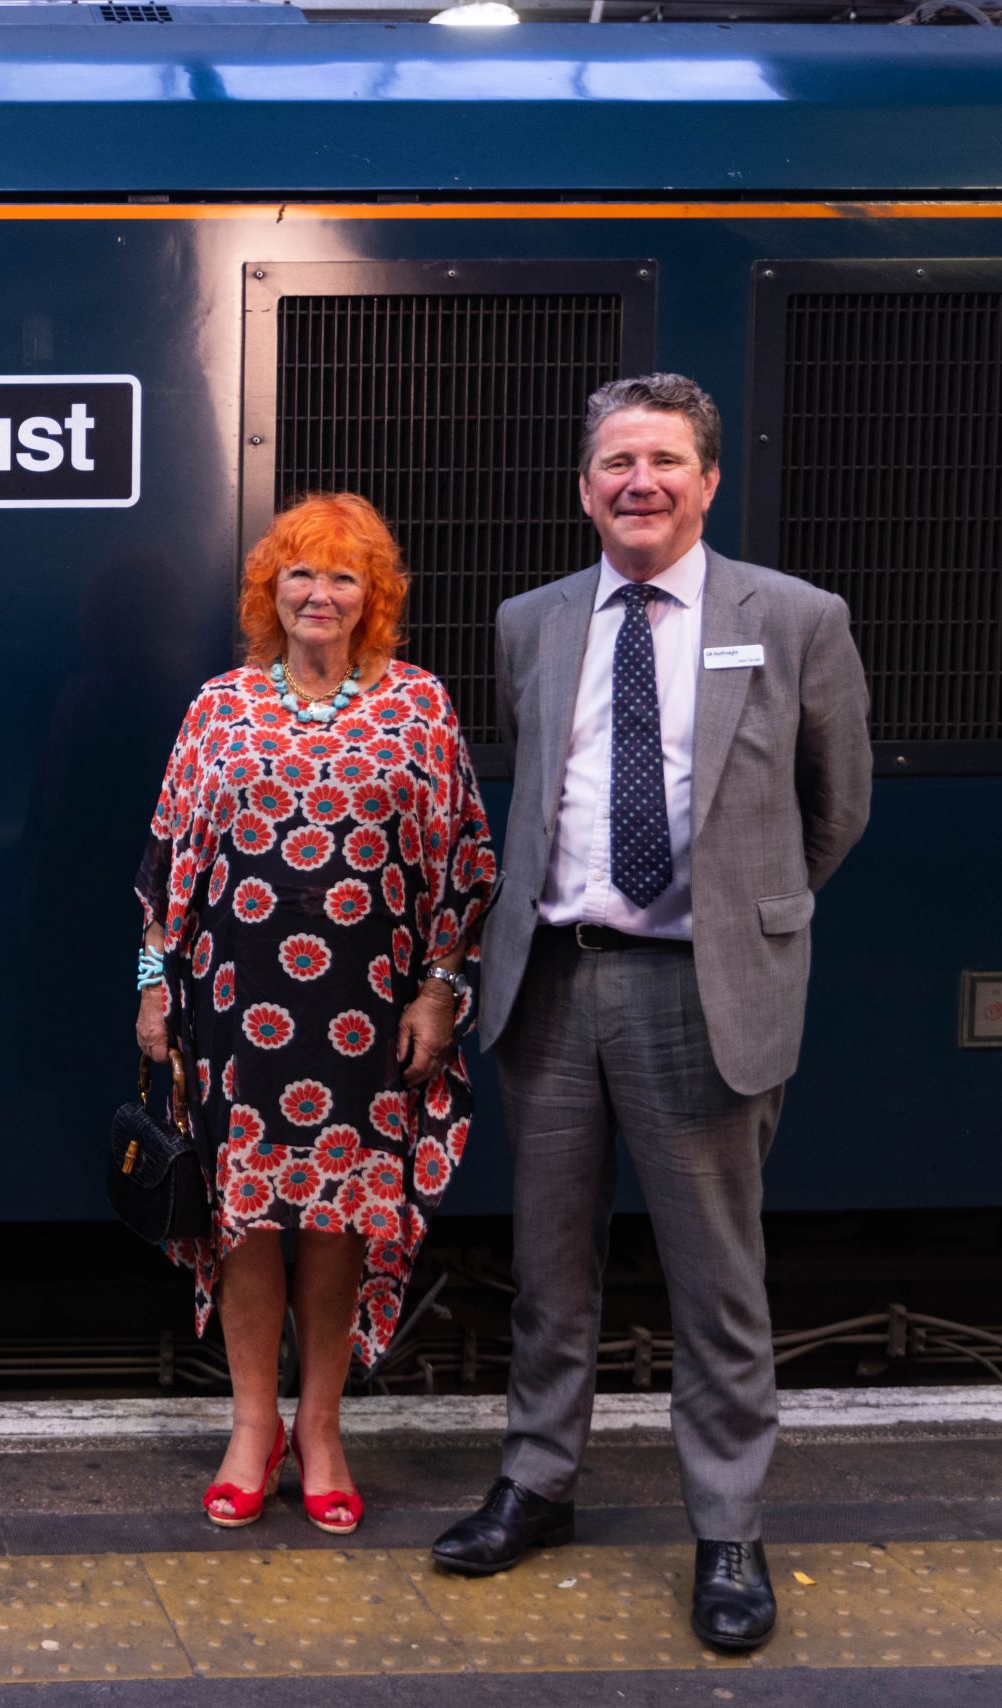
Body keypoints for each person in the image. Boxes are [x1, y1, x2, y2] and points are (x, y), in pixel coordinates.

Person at [430, 374, 871, 1654]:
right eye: (617, 461)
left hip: (700, 987)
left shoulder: (792, 618)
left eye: (666, 460)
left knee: (716, 1282)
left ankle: (726, 1526)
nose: (640, 482)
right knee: (548, 1268)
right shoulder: (531, 621)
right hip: (552, 984)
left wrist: (741, 915)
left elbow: (831, 810)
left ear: (708, 480)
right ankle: (537, 1480)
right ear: (584, 488)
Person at [135, 493, 494, 1534]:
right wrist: (152, 988)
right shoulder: (219, 707)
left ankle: (323, 1428)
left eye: (342, 576)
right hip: (235, 1003)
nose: (319, 594)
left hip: (363, 1010)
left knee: (337, 1216)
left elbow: (463, 858)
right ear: (270, 591)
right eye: (300, 573)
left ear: (371, 597)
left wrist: (441, 988)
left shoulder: (417, 704)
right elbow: (165, 859)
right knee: (243, 1214)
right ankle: (253, 1427)